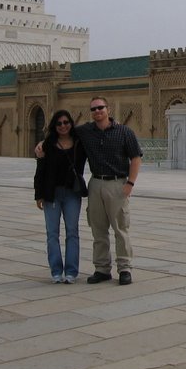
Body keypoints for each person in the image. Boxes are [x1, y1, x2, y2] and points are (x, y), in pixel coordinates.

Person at [36, 97, 143, 286]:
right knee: (98, 229)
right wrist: (42, 143)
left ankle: (124, 268)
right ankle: (102, 269)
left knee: (120, 228)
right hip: (95, 184)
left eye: (100, 108)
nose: (97, 111)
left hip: (117, 184)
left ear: (108, 109)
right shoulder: (85, 131)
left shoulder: (124, 131)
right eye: (93, 109)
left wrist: (130, 183)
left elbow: (135, 157)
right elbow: (62, 133)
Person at [33, 110, 86, 283]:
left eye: (66, 122)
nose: (63, 126)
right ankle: (56, 271)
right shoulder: (47, 145)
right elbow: (40, 170)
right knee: (52, 233)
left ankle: (71, 272)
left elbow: (95, 129)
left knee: (72, 232)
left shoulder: (80, 142)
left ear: (71, 123)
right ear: (54, 126)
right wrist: (39, 195)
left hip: (72, 193)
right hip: (52, 194)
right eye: (59, 123)